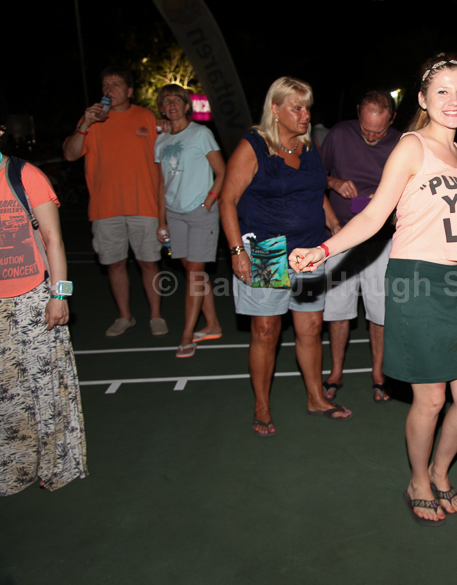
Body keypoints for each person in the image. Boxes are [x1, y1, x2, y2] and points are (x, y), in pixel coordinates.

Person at [291, 54, 457, 526]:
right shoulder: (411, 147)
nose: (454, 100)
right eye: (442, 91)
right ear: (422, 98)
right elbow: (375, 215)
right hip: (416, 280)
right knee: (432, 399)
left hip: (456, 284)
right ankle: (419, 479)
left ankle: (440, 469)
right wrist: (323, 250)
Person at [219, 77, 349, 438]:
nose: (306, 114)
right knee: (266, 330)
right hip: (267, 250)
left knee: (311, 328)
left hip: (308, 250)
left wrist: (334, 224)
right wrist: (237, 252)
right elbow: (227, 200)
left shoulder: (309, 145)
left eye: (308, 107)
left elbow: (315, 191)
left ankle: (316, 398)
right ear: (275, 110)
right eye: (297, 107)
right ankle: (261, 405)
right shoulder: (253, 146)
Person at [0, 121, 88, 495]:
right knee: (7, 390)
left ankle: (56, 463)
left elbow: (54, 239)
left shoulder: (24, 175)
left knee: (46, 386)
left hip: (33, 295)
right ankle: (14, 468)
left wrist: (59, 295)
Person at [62, 66, 167, 338]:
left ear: (129, 91)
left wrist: (168, 125)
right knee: (115, 264)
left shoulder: (145, 116)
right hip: (105, 207)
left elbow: (166, 153)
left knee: (149, 263)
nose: (109, 89)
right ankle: (125, 316)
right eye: (105, 85)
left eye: (116, 84)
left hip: (144, 205)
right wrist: (84, 125)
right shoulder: (92, 120)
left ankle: (156, 315)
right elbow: (70, 155)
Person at [320, 91, 401, 403]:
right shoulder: (339, 134)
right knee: (337, 309)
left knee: (379, 311)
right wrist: (334, 182)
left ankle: (379, 374)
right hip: (340, 235)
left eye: (378, 131)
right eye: (366, 128)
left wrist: (388, 203)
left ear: (392, 119)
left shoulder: (402, 142)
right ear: (358, 113)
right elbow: (315, 176)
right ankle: (336, 372)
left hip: (382, 240)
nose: (370, 136)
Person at [154, 84, 226, 358]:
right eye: (166, 101)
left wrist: (208, 202)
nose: (171, 104)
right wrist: (161, 221)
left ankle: (186, 336)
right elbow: (161, 185)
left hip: (200, 213)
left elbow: (223, 171)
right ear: (162, 108)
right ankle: (213, 324)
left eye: (177, 100)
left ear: (187, 106)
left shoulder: (201, 133)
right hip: (174, 214)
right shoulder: (160, 140)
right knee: (193, 273)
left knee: (195, 274)